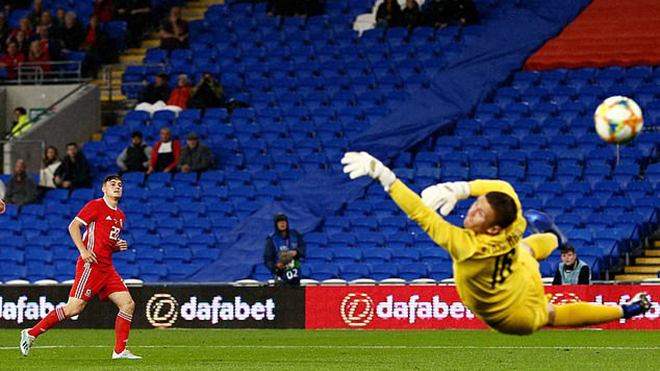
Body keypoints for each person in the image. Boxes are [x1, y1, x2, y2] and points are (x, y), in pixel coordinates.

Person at [341, 151, 651, 335]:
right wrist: (461, 189)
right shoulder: (513, 222)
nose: (470, 211)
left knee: (551, 314)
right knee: (529, 247)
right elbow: (504, 188)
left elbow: (422, 215)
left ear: (491, 230)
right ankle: (556, 238)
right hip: (516, 269)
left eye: (478, 214)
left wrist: (385, 176)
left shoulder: (467, 246)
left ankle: (626, 310)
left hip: (512, 315)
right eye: (475, 205)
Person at [20, 175, 141, 360]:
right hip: (90, 266)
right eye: (112, 184)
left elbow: (104, 242)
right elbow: (73, 226)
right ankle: (31, 333)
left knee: (128, 304)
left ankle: (119, 351)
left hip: (107, 269)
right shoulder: (96, 205)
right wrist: (83, 251)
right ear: (104, 189)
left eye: (120, 185)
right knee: (73, 308)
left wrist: (116, 246)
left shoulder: (120, 215)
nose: (117, 187)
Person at [264, 213, 306, 286]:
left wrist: (296, 252)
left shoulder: (295, 234)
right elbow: (267, 259)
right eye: (279, 222)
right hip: (281, 275)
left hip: (295, 272)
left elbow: (303, 249)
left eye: (284, 221)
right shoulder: (272, 239)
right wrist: (276, 266)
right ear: (276, 224)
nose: (282, 224)